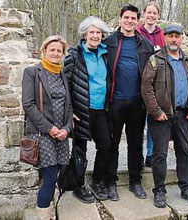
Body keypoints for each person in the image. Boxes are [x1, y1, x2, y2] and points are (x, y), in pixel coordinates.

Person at [142, 24, 188, 208]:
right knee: (159, 154)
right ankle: (159, 190)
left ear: (181, 38)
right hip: (161, 116)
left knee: (183, 151)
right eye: (170, 36)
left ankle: (186, 186)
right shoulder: (155, 60)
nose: (173, 39)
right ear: (165, 38)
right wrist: (156, 111)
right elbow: (146, 88)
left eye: (177, 36)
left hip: (183, 115)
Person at [104, 4, 155, 201]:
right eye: (126, 17)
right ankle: (110, 182)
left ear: (137, 21)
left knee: (135, 145)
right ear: (120, 19)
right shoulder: (109, 42)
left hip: (137, 103)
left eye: (133, 18)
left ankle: (135, 181)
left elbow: (153, 75)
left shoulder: (145, 46)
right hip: (115, 101)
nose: (129, 21)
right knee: (112, 144)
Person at [21, 36, 72, 219]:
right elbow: (28, 104)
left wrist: (66, 128)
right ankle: (43, 216)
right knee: (49, 178)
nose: (56, 53)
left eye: (59, 51)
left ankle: (50, 212)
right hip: (43, 135)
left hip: (61, 135)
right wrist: (50, 129)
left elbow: (69, 105)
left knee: (56, 176)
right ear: (44, 51)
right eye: (52, 50)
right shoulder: (32, 73)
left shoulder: (63, 75)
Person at [63, 16, 112, 203]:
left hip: (101, 109)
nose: (95, 35)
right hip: (81, 109)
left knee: (105, 146)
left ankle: (97, 181)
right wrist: (69, 110)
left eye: (98, 32)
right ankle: (78, 185)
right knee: (79, 149)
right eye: (91, 32)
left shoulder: (106, 53)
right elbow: (65, 83)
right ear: (85, 34)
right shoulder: (75, 54)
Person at [136, 1, 165, 168]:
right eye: (149, 13)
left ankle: (151, 154)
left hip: (156, 82)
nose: (152, 16)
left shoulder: (161, 34)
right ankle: (138, 154)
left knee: (153, 119)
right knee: (138, 122)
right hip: (139, 80)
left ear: (158, 16)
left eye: (155, 13)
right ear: (144, 14)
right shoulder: (137, 32)